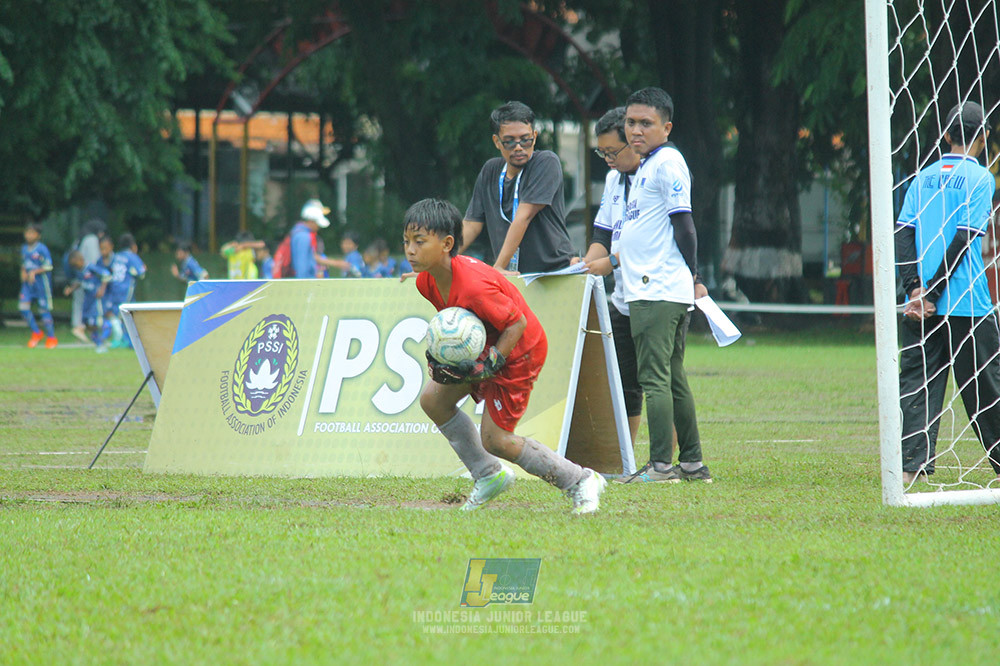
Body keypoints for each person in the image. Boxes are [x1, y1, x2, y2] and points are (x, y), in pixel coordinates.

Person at [405, 198, 606, 514]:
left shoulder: (473, 286)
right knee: (433, 400)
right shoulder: (425, 281)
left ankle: (580, 480)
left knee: (496, 439)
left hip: (519, 351)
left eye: (419, 242)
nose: (410, 250)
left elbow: (517, 324)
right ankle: (488, 475)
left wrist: (491, 363)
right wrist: (444, 358)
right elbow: (458, 325)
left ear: (446, 244)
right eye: (406, 242)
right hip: (492, 345)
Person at [895, 101, 1000, 484]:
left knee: (919, 385)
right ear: (984, 136)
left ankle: (911, 469)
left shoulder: (920, 178)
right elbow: (963, 239)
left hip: (921, 306)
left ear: (946, 134)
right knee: (986, 389)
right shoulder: (981, 180)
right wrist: (935, 292)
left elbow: (903, 234)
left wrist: (915, 291)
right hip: (967, 303)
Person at [614, 87, 711, 483]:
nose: (636, 131)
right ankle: (691, 464)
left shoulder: (667, 162)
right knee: (672, 377)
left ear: (666, 127)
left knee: (654, 379)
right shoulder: (647, 165)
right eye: (631, 123)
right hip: (654, 288)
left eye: (646, 123)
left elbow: (684, 225)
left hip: (656, 289)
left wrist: (696, 275)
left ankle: (660, 467)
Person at [581, 107, 645, 446]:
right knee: (624, 382)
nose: (607, 159)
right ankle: (629, 458)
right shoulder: (612, 180)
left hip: (657, 296)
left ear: (635, 142)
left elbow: (653, 240)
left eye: (612, 151)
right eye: (601, 152)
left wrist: (610, 264)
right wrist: (585, 265)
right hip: (622, 299)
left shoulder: (655, 177)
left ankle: (674, 460)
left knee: (661, 382)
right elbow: (602, 235)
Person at [461, 101, 576, 273]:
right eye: (509, 142)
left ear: (535, 137)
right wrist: (438, 263)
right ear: (497, 141)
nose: (519, 147)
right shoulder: (490, 171)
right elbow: (471, 225)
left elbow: (524, 216)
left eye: (525, 140)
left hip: (554, 272)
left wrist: (498, 267)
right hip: (513, 275)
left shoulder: (545, 162)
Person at [19, 222, 58, 349]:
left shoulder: (42, 249)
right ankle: (36, 332)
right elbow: (24, 264)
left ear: (38, 235)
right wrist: (24, 272)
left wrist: (34, 272)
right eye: (27, 232)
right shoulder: (24, 248)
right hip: (28, 285)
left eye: (32, 233)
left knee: (43, 310)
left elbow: (48, 266)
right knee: (23, 307)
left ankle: (51, 337)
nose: (29, 235)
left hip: (41, 284)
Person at [64, 250, 111, 351]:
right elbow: (81, 282)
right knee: (86, 321)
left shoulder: (91, 268)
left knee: (95, 321)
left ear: (80, 260)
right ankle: (98, 342)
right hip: (87, 300)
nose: (74, 266)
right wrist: (71, 289)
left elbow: (106, 275)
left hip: (95, 300)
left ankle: (103, 337)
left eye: (75, 263)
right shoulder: (80, 272)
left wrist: (101, 289)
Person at [67, 218, 105, 343]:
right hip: (89, 278)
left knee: (79, 304)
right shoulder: (91, 239)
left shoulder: (79, 239)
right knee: (93, 310)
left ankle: (78, 327)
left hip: (79, 275)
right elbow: (94, 260)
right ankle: (85, 330)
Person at [107, 233, 147, 348]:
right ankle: (126, 341)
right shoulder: (132, 256)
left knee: (118, 313)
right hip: (125, 289)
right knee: (128, 314)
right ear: (133, 246)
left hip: (114, 288)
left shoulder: (116, 256)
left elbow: (111, 269)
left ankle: (124, 339)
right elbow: (141, 273)